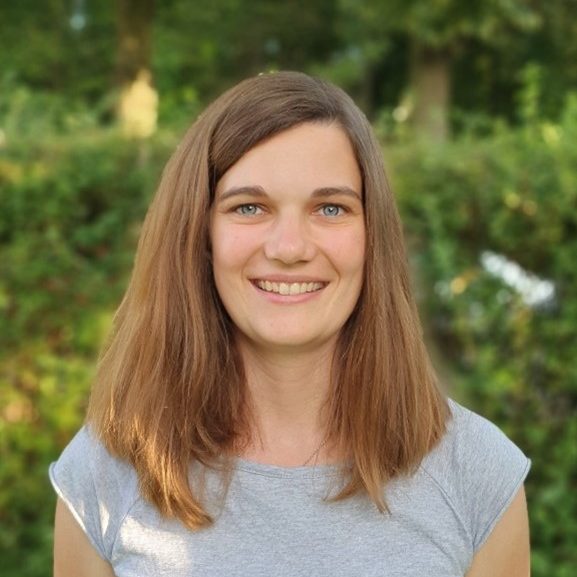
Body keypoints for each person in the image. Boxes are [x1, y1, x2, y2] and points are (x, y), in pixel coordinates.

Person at [51, 71, 530, 577]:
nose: (289, 248)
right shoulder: (104, 475)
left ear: (373, 237)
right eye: (249, 207)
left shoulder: (479, 475)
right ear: (200, 234)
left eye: (330, 208)